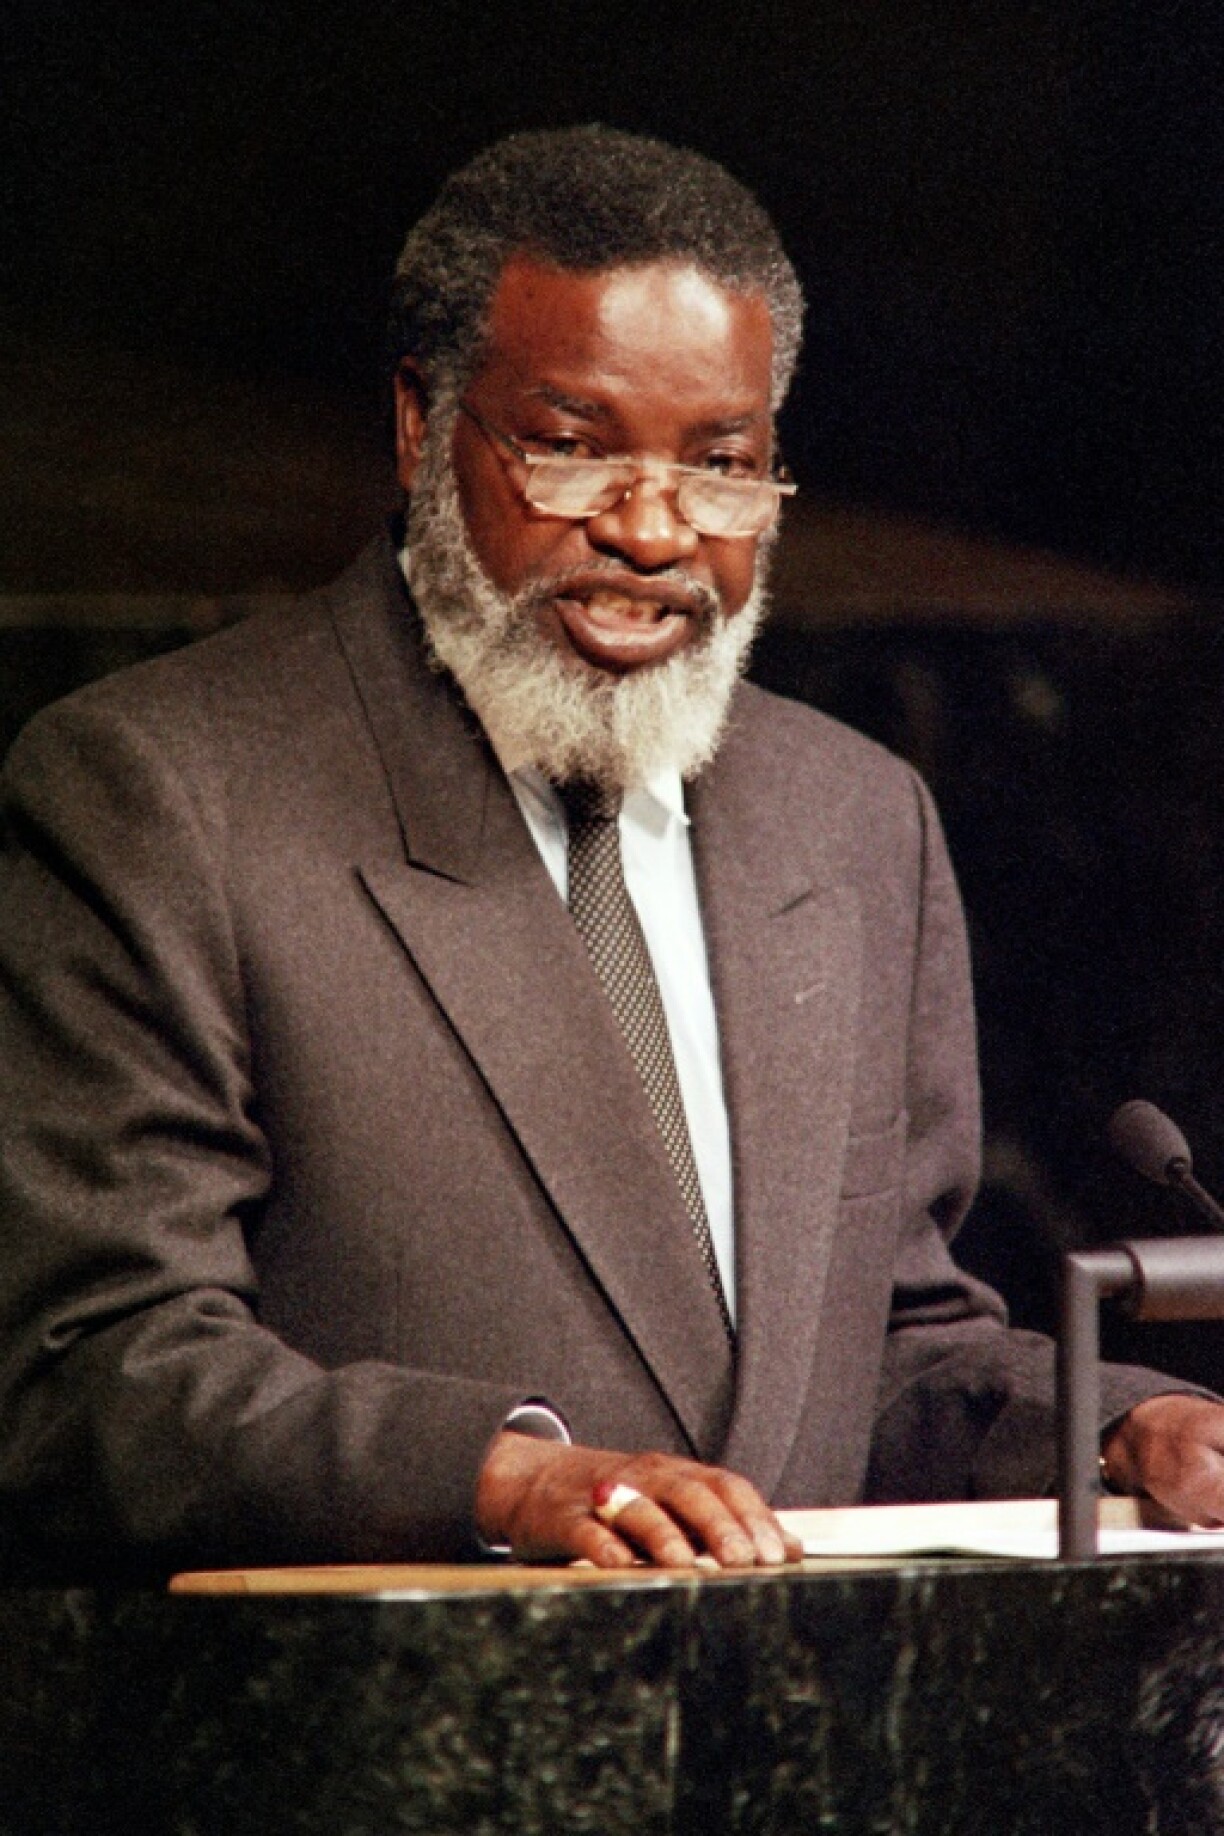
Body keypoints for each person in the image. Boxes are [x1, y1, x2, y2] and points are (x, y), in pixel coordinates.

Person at [1, 126, 1222, 1582]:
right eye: (574, 451)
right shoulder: (162, 792)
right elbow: (92, 1370)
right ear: (419, 423)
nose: (654, 531)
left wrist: (1120, 1428)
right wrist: (502, 1478)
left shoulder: (851, 814)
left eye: (721, 468)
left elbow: (889, 1352)